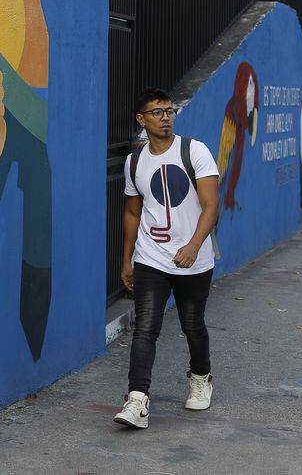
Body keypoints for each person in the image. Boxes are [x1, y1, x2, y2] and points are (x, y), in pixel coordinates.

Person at [114, 88, 221, 429]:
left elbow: (211, 206)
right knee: (145, 328)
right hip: (152, 257)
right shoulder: (135, 161)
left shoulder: (195, 151)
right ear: (141, 120)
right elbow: (132, 212)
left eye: (169, 111)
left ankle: (201, 376)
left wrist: (192, 245)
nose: (166, 118)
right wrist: (127, 258)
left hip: (194, 259)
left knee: (192, 325)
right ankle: (137, 399)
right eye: (157, 113)